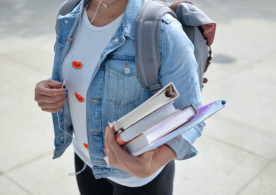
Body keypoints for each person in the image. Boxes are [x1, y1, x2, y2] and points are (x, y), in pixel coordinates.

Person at [34, 0, 204, 194]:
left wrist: (151, 165)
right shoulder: (69, 14)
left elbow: (191, 113)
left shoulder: (163, 30)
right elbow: (78, 74)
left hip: (140, 181)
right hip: (85, 160)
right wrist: (48, 90)